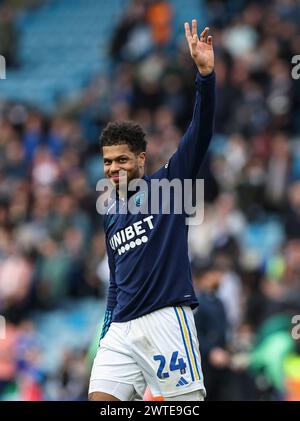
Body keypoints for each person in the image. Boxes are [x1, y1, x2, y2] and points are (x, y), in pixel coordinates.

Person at [88, 19, 216, 401]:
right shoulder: (109, 212)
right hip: (121, 329)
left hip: (165, 319)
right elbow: (116, 280)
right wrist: (107, 328)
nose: (113, 168)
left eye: (122, 160)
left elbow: (201, 132)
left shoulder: (169, 185)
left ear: (141, 159)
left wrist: (205, 77)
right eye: (108, 162)